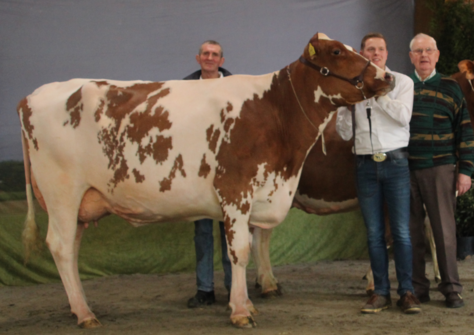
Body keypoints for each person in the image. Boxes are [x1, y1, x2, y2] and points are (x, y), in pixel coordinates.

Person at [336, 33, 421, 314]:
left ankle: (407, 292)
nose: (376, 53)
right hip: (365, 164)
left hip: (395, 162)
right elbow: (345, 133)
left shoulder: (402, 82)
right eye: (370, 49)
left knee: (401, 232)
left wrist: (377, 94)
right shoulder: (353, 88)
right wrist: (347, 108)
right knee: (373, 234)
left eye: (380, 49)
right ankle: (380, 292)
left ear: (387, 53)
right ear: (362, 53)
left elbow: (403, 116)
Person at [407, 33, 474, 308]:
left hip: (441, 169)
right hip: (406, 170)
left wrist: (465, 171)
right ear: (410, 56)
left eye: (429, 50)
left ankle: (451, 289)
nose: (424, 55)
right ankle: (416, 289)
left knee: (444, 231)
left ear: (436, 56)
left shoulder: (451, 87)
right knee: (410, 233)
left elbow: (466, 130)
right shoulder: (400, 85)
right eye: (418, 51)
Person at [183, 40, 232, 308]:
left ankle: (234, 288)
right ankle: (205, 290)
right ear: (198, 58)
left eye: (215, 54)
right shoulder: (183, 88)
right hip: (198, 169)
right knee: (202, 231)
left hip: (230, 168)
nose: (210, 58)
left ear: (222, 61)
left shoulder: (237, 86)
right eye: (206, 54)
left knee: (231, 230)